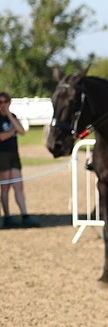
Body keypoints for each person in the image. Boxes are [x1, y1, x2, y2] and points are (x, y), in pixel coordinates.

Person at [0, 92, 38, 228]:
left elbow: (22, 131)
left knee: (18, 186)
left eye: (5, 102)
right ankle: (7, 216)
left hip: (14, 155)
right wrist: (12, 131)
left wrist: (10, 116)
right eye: (0, 102)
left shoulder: (13, 117)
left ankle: (24, 214)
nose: (3, 105)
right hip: (2, 155)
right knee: (5, 187)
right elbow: (1, 137)